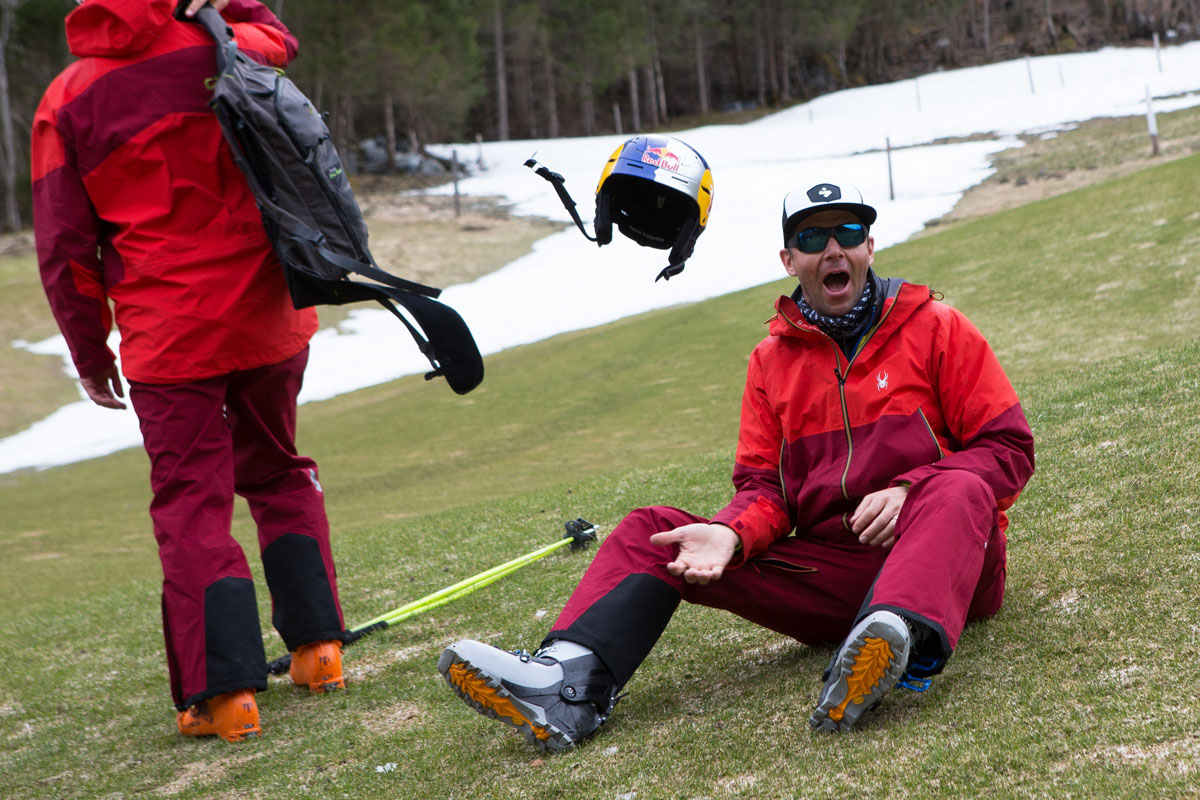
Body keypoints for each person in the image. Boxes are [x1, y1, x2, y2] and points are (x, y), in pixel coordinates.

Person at [439, 180, 1035, 750]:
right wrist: (730, 532)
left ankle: (896, 643)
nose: (833, 248)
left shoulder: (937, 327)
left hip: (953, 564)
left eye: (848, 233)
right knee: (653, 530)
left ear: (869, 248)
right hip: (836, 579)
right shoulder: (770, 361)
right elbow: (763, 487)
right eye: (812, 238)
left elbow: (1009, 448)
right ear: (789, 260)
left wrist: (910, 490)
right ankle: (567, 688)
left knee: (959, 487)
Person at [33, 0, 347, 742]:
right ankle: (319, 653)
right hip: (269, 314)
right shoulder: (232, 44)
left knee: (192, 506)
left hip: (169, 336)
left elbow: (65, 245)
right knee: (279, 472)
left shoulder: (68, 97)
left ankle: (226, 697)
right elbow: (282, 38)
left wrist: (89, 352)